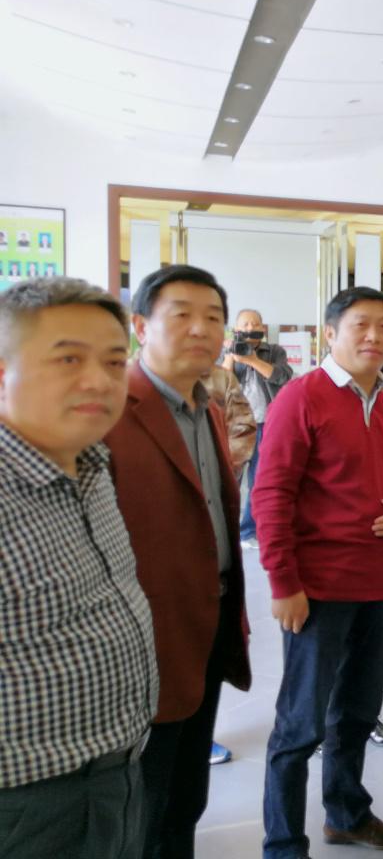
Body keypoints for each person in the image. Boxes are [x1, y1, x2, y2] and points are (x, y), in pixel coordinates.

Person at [255, 287, 383, 858]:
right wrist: (284, 583)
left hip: (377, 585)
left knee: (356, 713)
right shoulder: (301, 398)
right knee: (300, 725)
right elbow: (270, 494)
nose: (374, 336)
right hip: (317, 589)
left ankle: (347, 815)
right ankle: (283, 843)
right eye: (360, 325)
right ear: (331, 333)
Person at [0, 278, 157, 859]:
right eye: (68, 359)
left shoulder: (90, 466)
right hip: (27, 806)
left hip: (116, 776)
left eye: (115, 362)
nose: (99, 380)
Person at [103, 264, 252, 859]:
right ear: (140, 326)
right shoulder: (111, 408)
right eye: (181, 315)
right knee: (145, 799)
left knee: (187, 793)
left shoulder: (208, 408)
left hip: (206, 623)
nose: (201, 329)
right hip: (142, 638)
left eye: (213, 317)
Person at [199, 362, 256, 768]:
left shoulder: (220, 378)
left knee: (211, 640)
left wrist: (219, 471)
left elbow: (244, 426)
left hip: (213, 511)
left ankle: (203, 733)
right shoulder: (130, 384)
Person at [221, 308, 292, 545]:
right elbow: (218, 384)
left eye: (255, 324)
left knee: (258, 481)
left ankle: (248, 531)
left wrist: (252, 360)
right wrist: (231, 356)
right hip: (234, 425)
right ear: (236, 329)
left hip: (265, 425)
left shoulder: (274, 351)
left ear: (262, 328)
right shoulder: (227, 351)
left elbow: (282, 376)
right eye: (245, 324)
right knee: (229, 481)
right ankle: (226, 531)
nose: (250, 328)